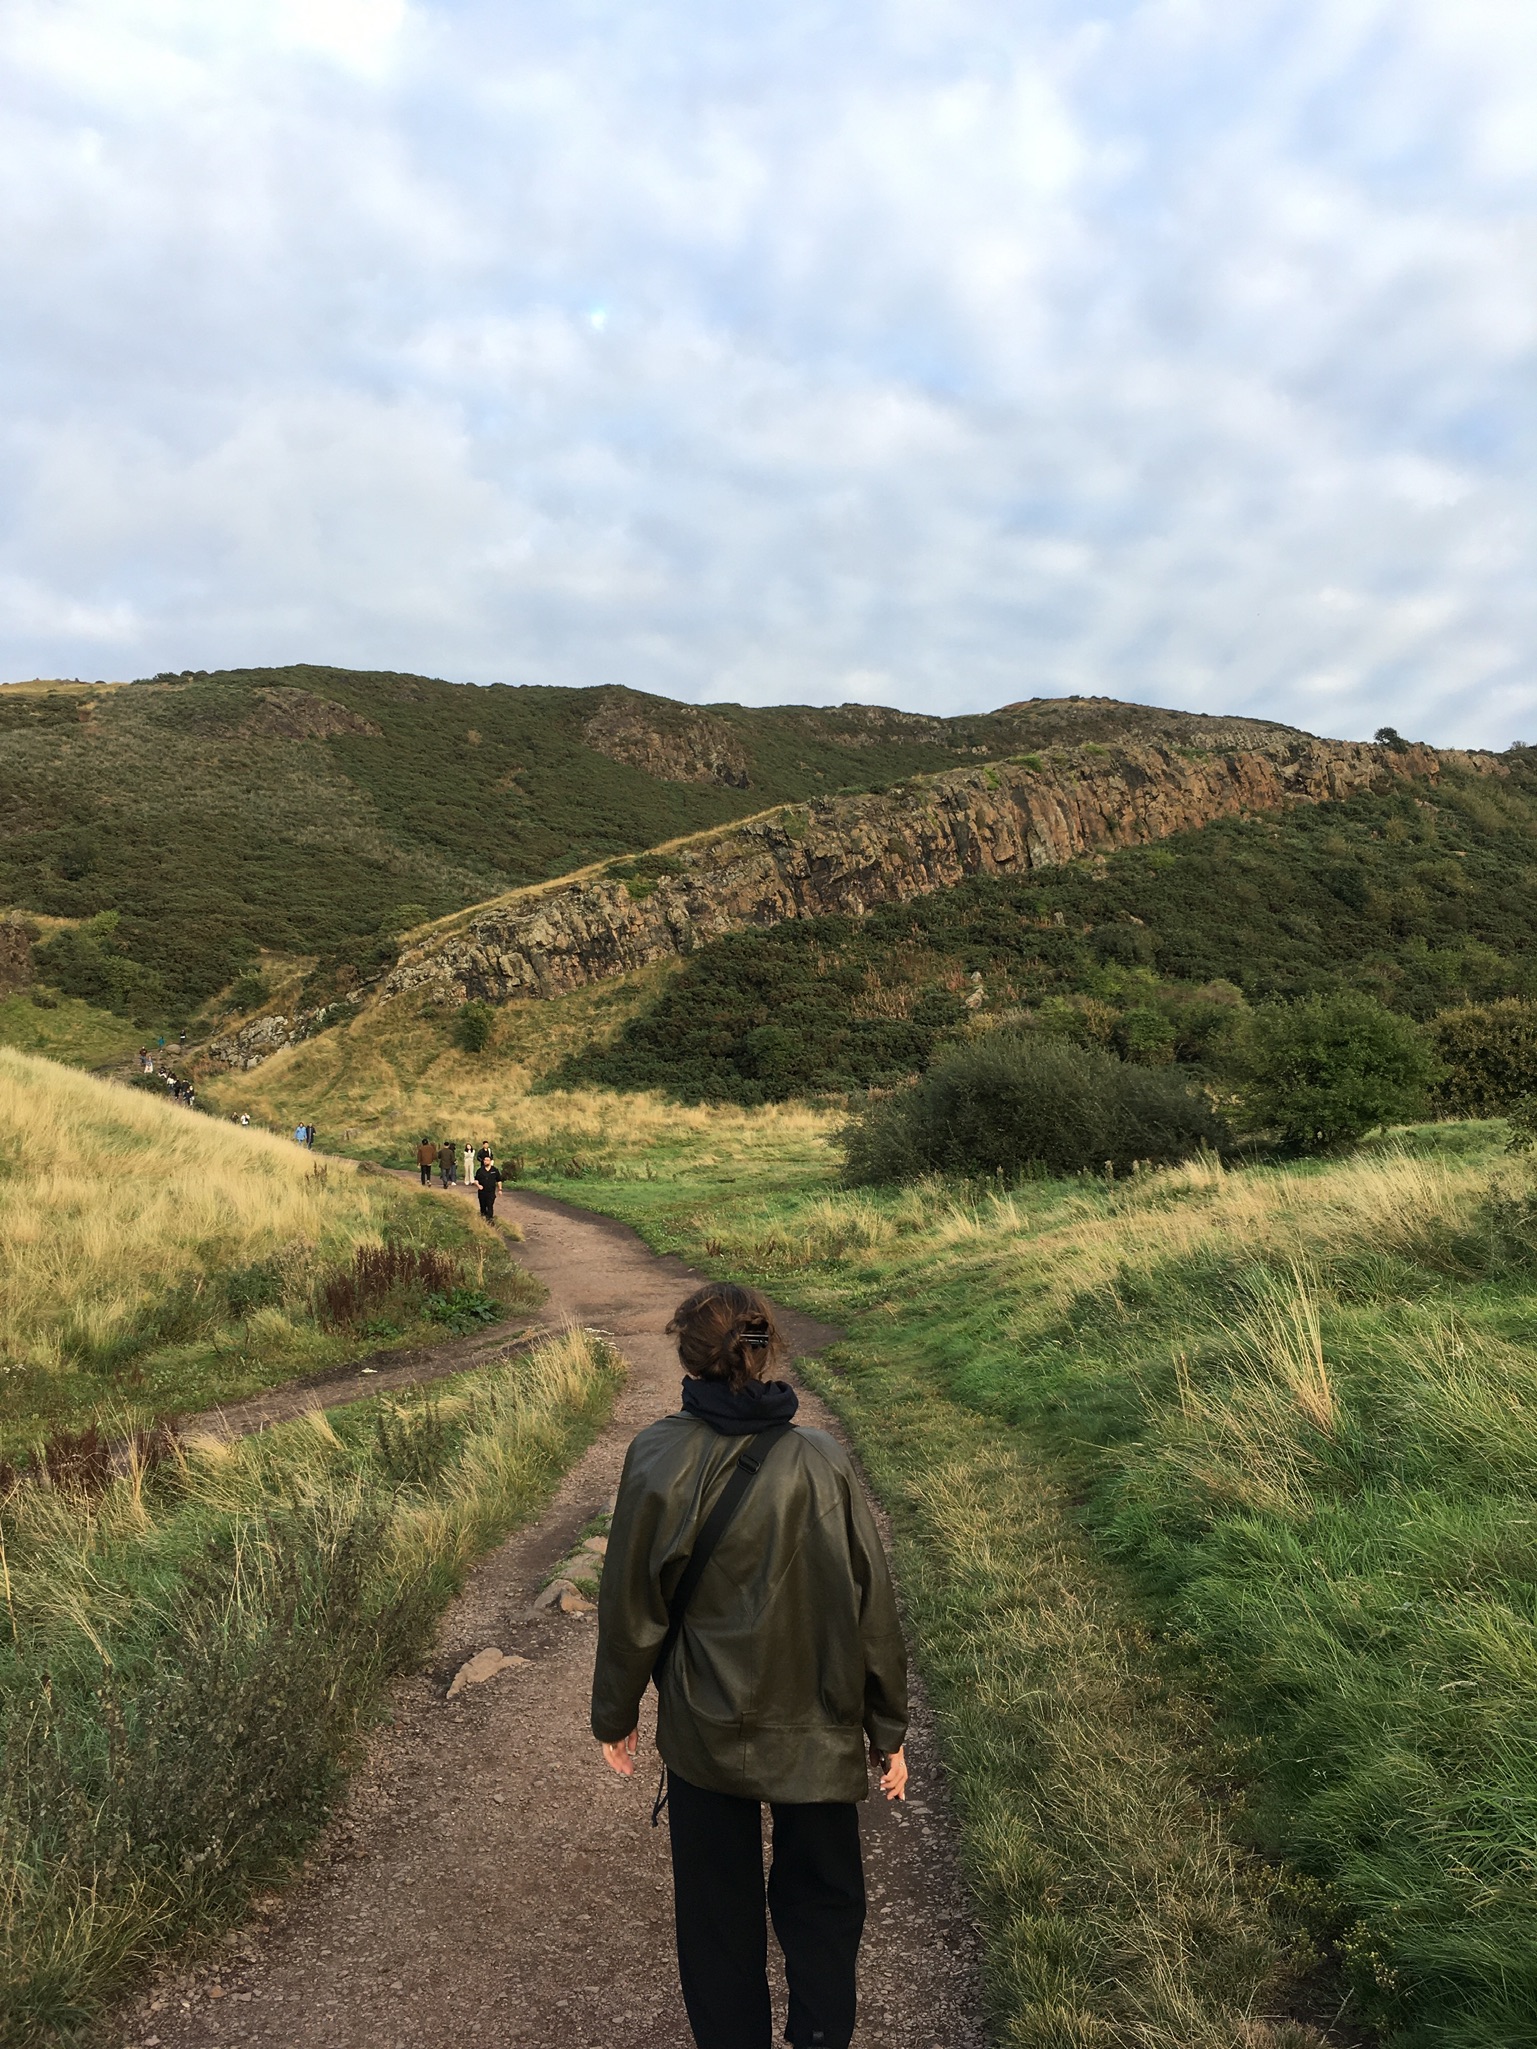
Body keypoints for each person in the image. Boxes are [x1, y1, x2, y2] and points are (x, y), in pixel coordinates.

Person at [592, 1284, 908, 2049]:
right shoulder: (823, 1462)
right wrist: (886, 1727)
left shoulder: (657, 1456)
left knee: (715, 1917)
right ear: (767, 1352)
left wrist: (618, 1714)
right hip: (818, 1727)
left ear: (686, 1352)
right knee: (824, 1905)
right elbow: (870, 1609)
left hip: (705, 1731)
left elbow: (632, 1603)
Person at [473, 1147, 503, 1220]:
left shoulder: (495, 1170)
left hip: (491, 1192)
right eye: (485, 1160)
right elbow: (475, 1180)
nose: (486, 1161)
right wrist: (478, 1185)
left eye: (487, 1160)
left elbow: (499, 1180)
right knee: (483, 1207)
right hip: (482, 1192)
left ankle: (490, 1220)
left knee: (490, 1206)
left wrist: (500, 1189)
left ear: (490, 1161)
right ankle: (483, 1218)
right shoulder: (480, 1170)